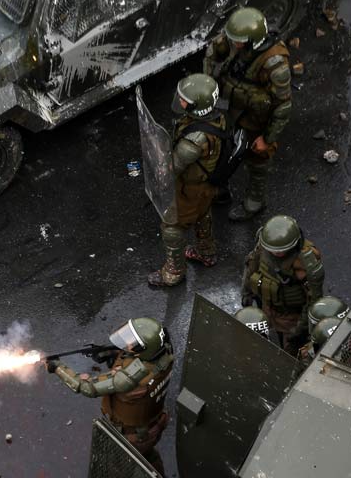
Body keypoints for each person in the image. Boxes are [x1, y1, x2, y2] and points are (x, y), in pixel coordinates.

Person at [45, 317, 173, 474]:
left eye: (133, 344)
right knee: (148, 456)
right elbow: (136, 356)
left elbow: (86, 387)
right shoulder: (164, 353)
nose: (128, 344)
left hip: (132, 438)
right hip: (153, 425)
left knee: (118, 469)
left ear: (144, 349)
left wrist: (57, 368)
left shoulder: (130, 378)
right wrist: (113, 353)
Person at [203, 7, 292, 221]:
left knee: (257, 160)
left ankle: (255, 201)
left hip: (255, 118)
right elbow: (211, 56)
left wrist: (267, 138)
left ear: (253, 40)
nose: (234, 44)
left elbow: (283, 106)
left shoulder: (275, 63)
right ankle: (220, 190)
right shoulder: (233, 39)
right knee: (220, 149)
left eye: (239, 41)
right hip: (230, 107)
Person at [148, 74, 227, 287]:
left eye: (185, 100)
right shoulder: (215, 114)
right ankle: (206, 252)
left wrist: (157, 151)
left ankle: (174, 272)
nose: (180, 101)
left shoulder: (194, 140)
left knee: (172, 226)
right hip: (206, 186)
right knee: (202, 214)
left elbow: (172, 168)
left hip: (192, 188)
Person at [241, 215, 324, 356]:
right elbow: (250, 268)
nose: (276, 253)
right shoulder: (264, 245)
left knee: (290, 353)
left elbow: (314, 301)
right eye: (273, 249)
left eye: (281, 249)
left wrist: (300, 330)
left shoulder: (305, 261)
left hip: (291, 317)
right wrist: (246, 293)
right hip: (267, 307)